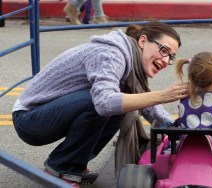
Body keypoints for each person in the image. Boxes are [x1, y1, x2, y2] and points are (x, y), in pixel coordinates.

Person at [12, 21, 188, 187]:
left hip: (45, 115)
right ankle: (62, 169)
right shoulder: (112, 55)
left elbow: (142, 99)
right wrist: (162, 95)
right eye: (164, 50)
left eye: (171, 57)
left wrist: (174, 128)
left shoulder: (129, 58)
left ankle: (75, 163)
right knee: (102, 103)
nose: (166, 61)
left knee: (121, 104)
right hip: (29, 119)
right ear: (142, 41)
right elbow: (104, 103)